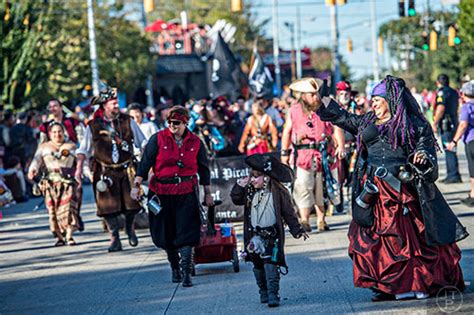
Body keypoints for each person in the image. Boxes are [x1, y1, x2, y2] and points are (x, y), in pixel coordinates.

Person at [316, 75, 468, 301]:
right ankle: (388, 286)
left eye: (377, 99)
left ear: (390, 99)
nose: (373, 103)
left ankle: (417, 283)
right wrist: (323, 99)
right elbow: (343, 118)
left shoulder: (413, 124)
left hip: (404, 188)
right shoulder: (367, 121)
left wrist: (422, 156)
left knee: (411, 242)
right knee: (376, 240)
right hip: (374, 190)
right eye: (372, 100)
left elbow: (425, 146)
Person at [131, 105, 213, 288]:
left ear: (186, 123)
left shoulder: (196, 142)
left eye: (176, 122)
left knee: (187, 232)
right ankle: (174, 266)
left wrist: (207, 193)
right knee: (165, 233)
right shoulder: (157, 139)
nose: (172, 125)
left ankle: (185, 271)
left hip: (186, 192)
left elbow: (204, 169)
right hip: (161, 193)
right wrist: (136, 186)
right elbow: (145, 164)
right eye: (169, 122)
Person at [230, 154, 307, 308]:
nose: (252, 180)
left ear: (266, 177)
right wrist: (239, 185)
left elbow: (289, 213)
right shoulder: (249, 191)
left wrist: (297, 229)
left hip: (273, 235)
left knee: (270, 263)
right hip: (253, 236)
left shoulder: (279, 192)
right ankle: (263, 291)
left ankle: (273, 293)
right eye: (252, 176)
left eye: (256, 177)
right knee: (257, 264)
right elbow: (236, 199)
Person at [75, 87, 146, 252]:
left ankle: (130, 228)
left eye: (116, 103)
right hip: (104, 171)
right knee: (107, 206)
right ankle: (114, 236)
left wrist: (147, 160)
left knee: (132, 204)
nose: (116, 105)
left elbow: (142, 142)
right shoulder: (93, 126)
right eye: (113, 103)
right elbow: (83, 150)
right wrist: (79, 169)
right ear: (104, 106)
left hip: (127, 169)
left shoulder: (128, 121)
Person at [281, 78, 345, 232]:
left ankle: (322, 220)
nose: (315, 97)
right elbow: (287, 131)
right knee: (303, 187)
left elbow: (337, 127)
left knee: (321, 188)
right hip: (303, 156)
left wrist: (341, 145)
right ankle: (304, 220)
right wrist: (284, 153)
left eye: (316, 94)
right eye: (311, 95)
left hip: (324, 154)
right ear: (304, 96)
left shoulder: (326, 107)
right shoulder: (294, 110)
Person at [28, 122, 80, 246]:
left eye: (60, 131)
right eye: (54, 132)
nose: (57, 134)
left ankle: (69, 235)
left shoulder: (71, 146)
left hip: (67, 182)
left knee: (68, 208)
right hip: (50, 183)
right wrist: (32, 169)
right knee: (53, 211)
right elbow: (36, 161)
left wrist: (87, 173)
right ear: (50, 134)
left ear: (64, 132)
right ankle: (59, 237)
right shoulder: (44, 147)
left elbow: (81, 163)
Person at [446, 81, 474, 206]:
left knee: (473, 169)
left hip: (471, 140)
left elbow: (463, 125)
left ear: (463, 94)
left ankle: (473, 196)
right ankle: (472, 193)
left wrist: (454, 141)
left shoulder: (466, 107)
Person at [432, 74, 462, 183]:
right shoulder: (453, 91)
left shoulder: (442, 92)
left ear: (438, 82)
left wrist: (434, 123)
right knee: (452, 149)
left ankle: (453, 175)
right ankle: (452, 173)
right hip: (454, 122)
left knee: (449, 149)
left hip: (446, 124)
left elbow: (441, 107)